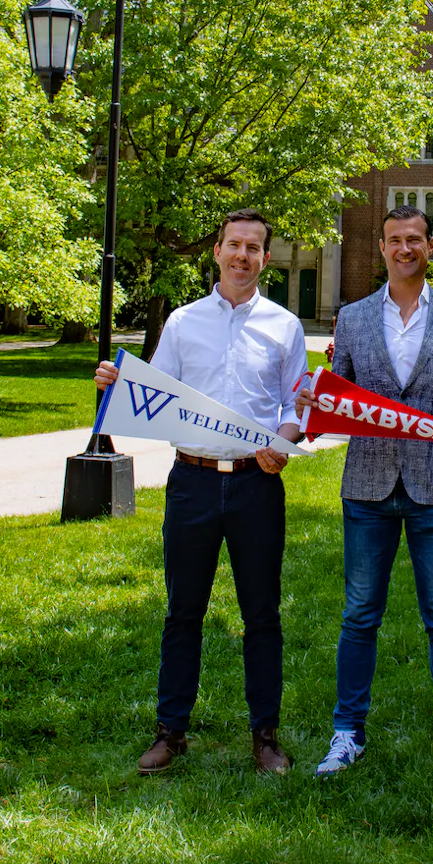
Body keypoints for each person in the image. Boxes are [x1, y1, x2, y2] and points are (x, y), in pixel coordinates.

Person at [94, 210, 307, 776]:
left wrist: (283, 442)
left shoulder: (285, 326)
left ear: (266, 258)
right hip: (190, 482)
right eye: (234, 245)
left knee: (261, 615)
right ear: (216, 252)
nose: (243, 256)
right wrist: (116, 386)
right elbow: (152, 392)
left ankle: (265, 736)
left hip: (257, 484)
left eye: (254, 248)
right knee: (182, 611)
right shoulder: (184, 323)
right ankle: (171, 732)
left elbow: (294, 407)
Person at [299, 204, 433, 781]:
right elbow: (345, 396)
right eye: (394, 240)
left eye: (415, 239)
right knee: (360, 614)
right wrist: (318, 401)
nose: (404, 248)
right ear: (380, 249)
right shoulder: (354, 318)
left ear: (430, 246)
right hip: (368, 485)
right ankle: (347, 732)